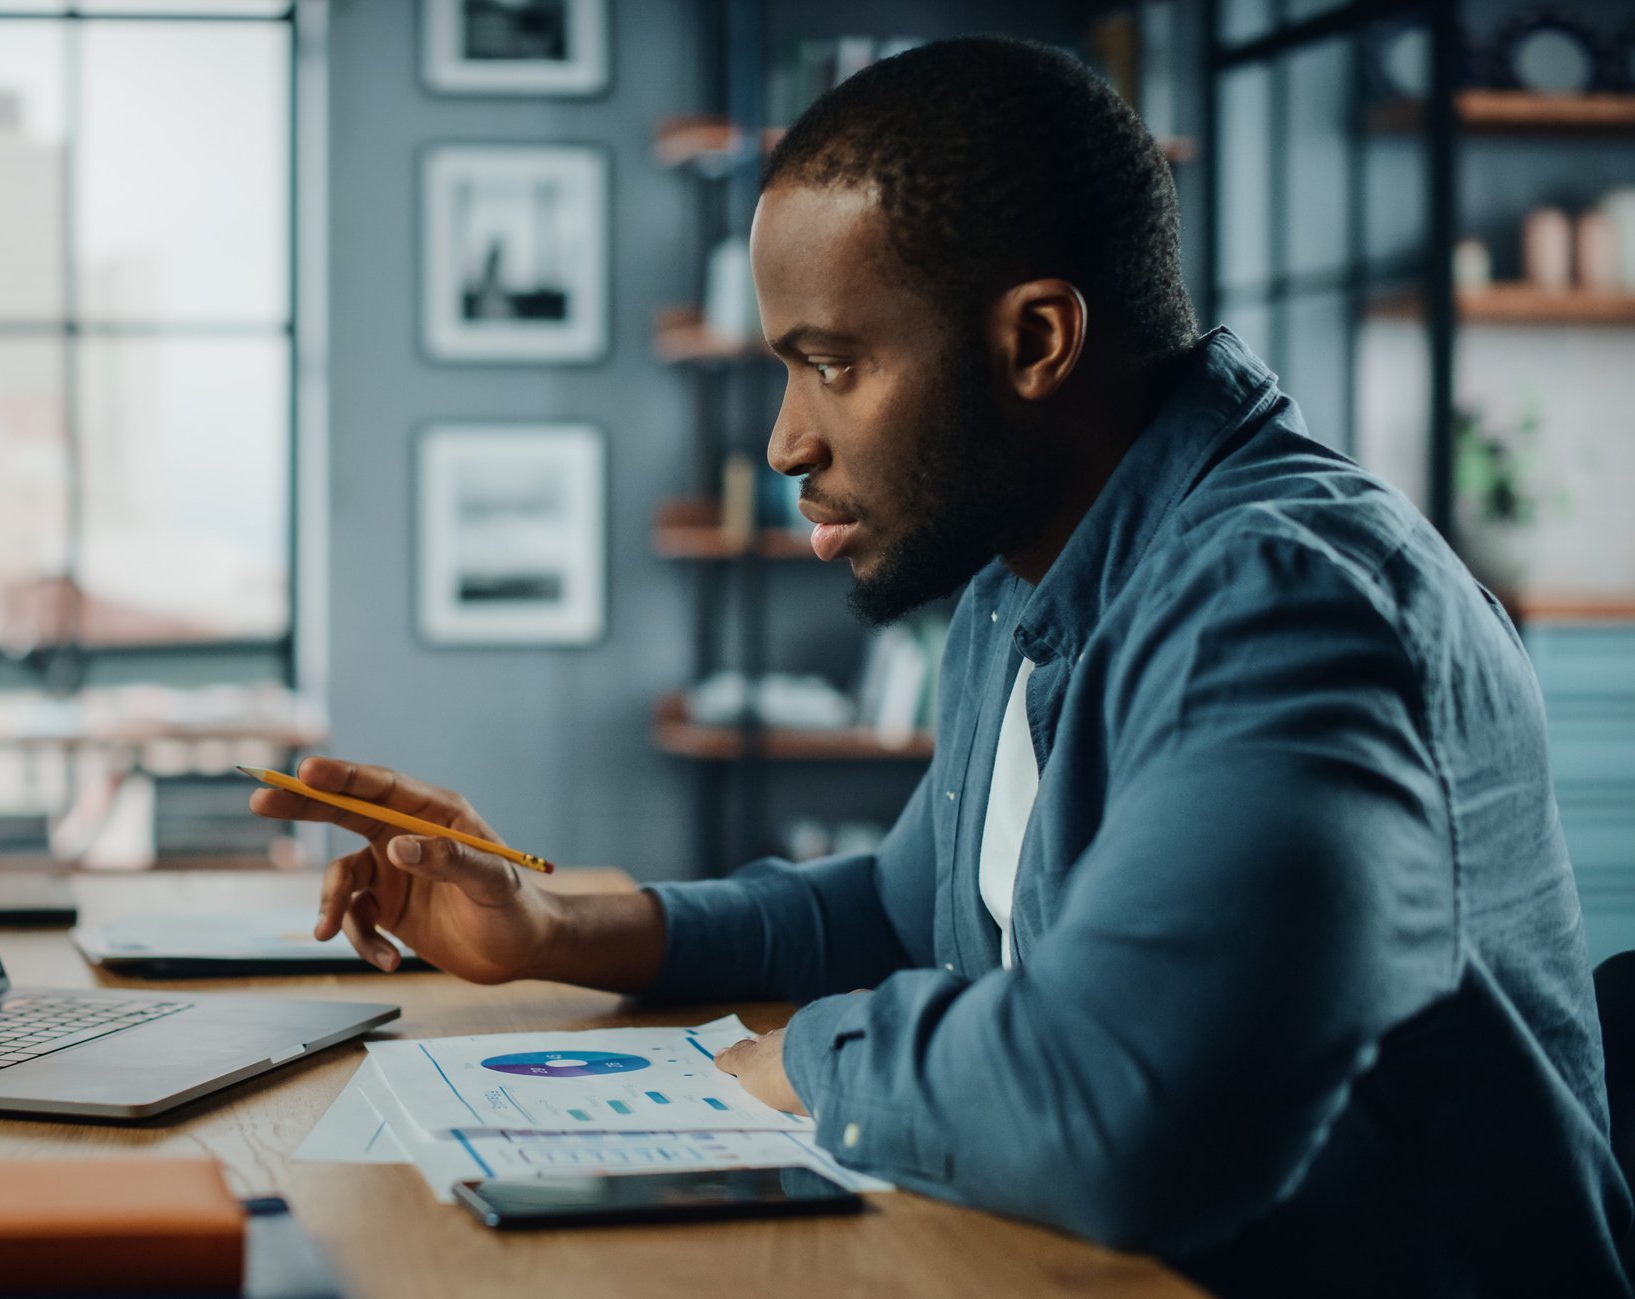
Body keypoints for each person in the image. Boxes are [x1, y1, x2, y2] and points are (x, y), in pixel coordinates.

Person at [253, 37, 1630, 1298]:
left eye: (831, 364)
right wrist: (554, 931)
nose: (785, 441)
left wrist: (807, 1055)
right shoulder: (1021, 567)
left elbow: (1115, 1117)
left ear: (1034, 340)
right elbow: (911, 908)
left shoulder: (1280, 606)